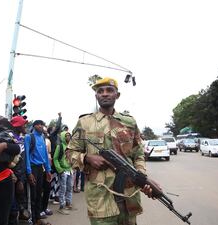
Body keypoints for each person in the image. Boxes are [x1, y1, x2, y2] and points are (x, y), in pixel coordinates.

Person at [67, 77, 156, 225]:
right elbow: (69, 153)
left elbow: (138, 154)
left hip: (128, 197)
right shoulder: (85, 123)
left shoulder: (129, 122)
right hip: (100, 200)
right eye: (100, 91)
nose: (105, 94)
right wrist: (88, 158)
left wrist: (141, 176)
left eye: (109, 90)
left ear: (117, 95)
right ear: (96, 96)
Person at [24, 120, 52, 225]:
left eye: (42, 125)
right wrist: (29, 172)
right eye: (38, 124)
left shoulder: (42, 137)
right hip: (32, 168)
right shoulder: (29, 137)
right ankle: (31, 219)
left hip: (40, 169)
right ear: (34, 126)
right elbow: (26, 155)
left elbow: (45, 155)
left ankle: (37, 219)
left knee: (39, 194)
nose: (41, 126)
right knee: (32, 195)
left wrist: (48, 170)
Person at [9, 116, 31, 224]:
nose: (25, 126)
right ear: (17, 126)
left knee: (19, 204)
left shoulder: (21, 138)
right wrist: (19, 180)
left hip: (21, 175)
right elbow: (10, 162)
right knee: (12, 209)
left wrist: (22, 178)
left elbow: (22, 160)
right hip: (12, 177)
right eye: (23, 124)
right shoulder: (9, 138)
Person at [53, 131, 75, 215]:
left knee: (70, 187)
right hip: (63, 170)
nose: (68, 137)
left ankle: (68, 203)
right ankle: (61, 206)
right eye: (66, 136)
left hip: (70, 170)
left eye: (69, 135)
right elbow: (55, 158)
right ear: (62, 137)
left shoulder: (71, 146)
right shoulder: (60, 146)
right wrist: (60, 169)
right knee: (63, 188)